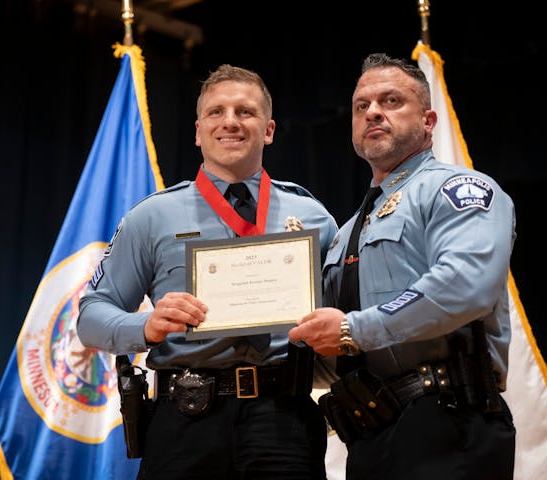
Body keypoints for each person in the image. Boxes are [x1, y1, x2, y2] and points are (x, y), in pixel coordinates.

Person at [77, 64, 338, 479]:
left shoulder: (313, 216)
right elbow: (91, 317)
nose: (230, 121)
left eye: (245, 111)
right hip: (186, 419)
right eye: (216, 112)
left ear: (268, 130)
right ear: (198, 131)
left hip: (283, 418)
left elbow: (342, 310)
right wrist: (147, 326)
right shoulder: (151, 216)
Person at [289, 53, 516, 479]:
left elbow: (465, 286)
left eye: (391, 101)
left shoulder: (458, 189)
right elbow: (330, 346)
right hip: (369, 431)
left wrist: (350, 329)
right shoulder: (346, 231)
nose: (373, 111)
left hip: (449, 423)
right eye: (362, 106)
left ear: (428, 121)